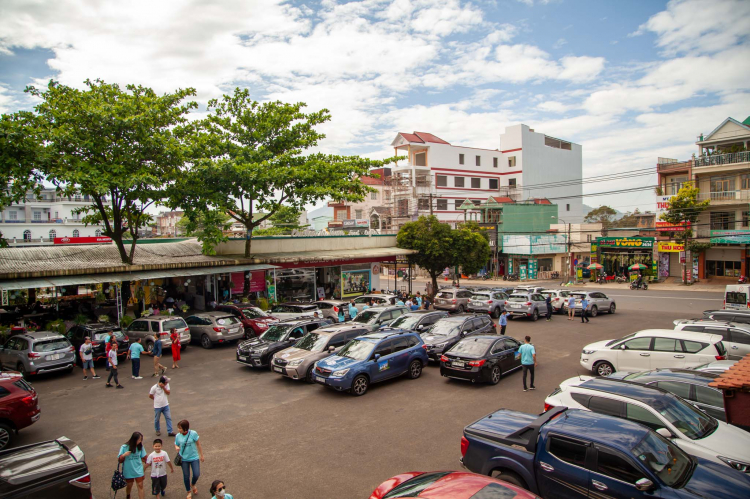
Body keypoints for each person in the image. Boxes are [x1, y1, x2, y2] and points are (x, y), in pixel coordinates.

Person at [174, 420, 205, 499]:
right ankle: (188, 491)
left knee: (196, 474)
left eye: (180, 428)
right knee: (186, 476)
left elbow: (198, 444)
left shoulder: (193, 433)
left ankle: (193, 484)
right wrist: (176, 447)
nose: (178, 430)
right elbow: (176, 444)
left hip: (194, 457)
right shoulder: (178, 436)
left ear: (185, 428)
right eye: (178, 428)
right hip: (184, 459)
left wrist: (201, 455)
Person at [118, 431, 147, 499]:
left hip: (138, 469)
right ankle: (128, 495)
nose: (140, 441)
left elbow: (144, 457)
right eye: (139, 439)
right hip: (129, 470)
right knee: (129, 485)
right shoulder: (124, 447)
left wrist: (148, 461)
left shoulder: (140, 446)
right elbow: (120, 460)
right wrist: (124, 455)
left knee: (140, 485)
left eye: (141, 440)